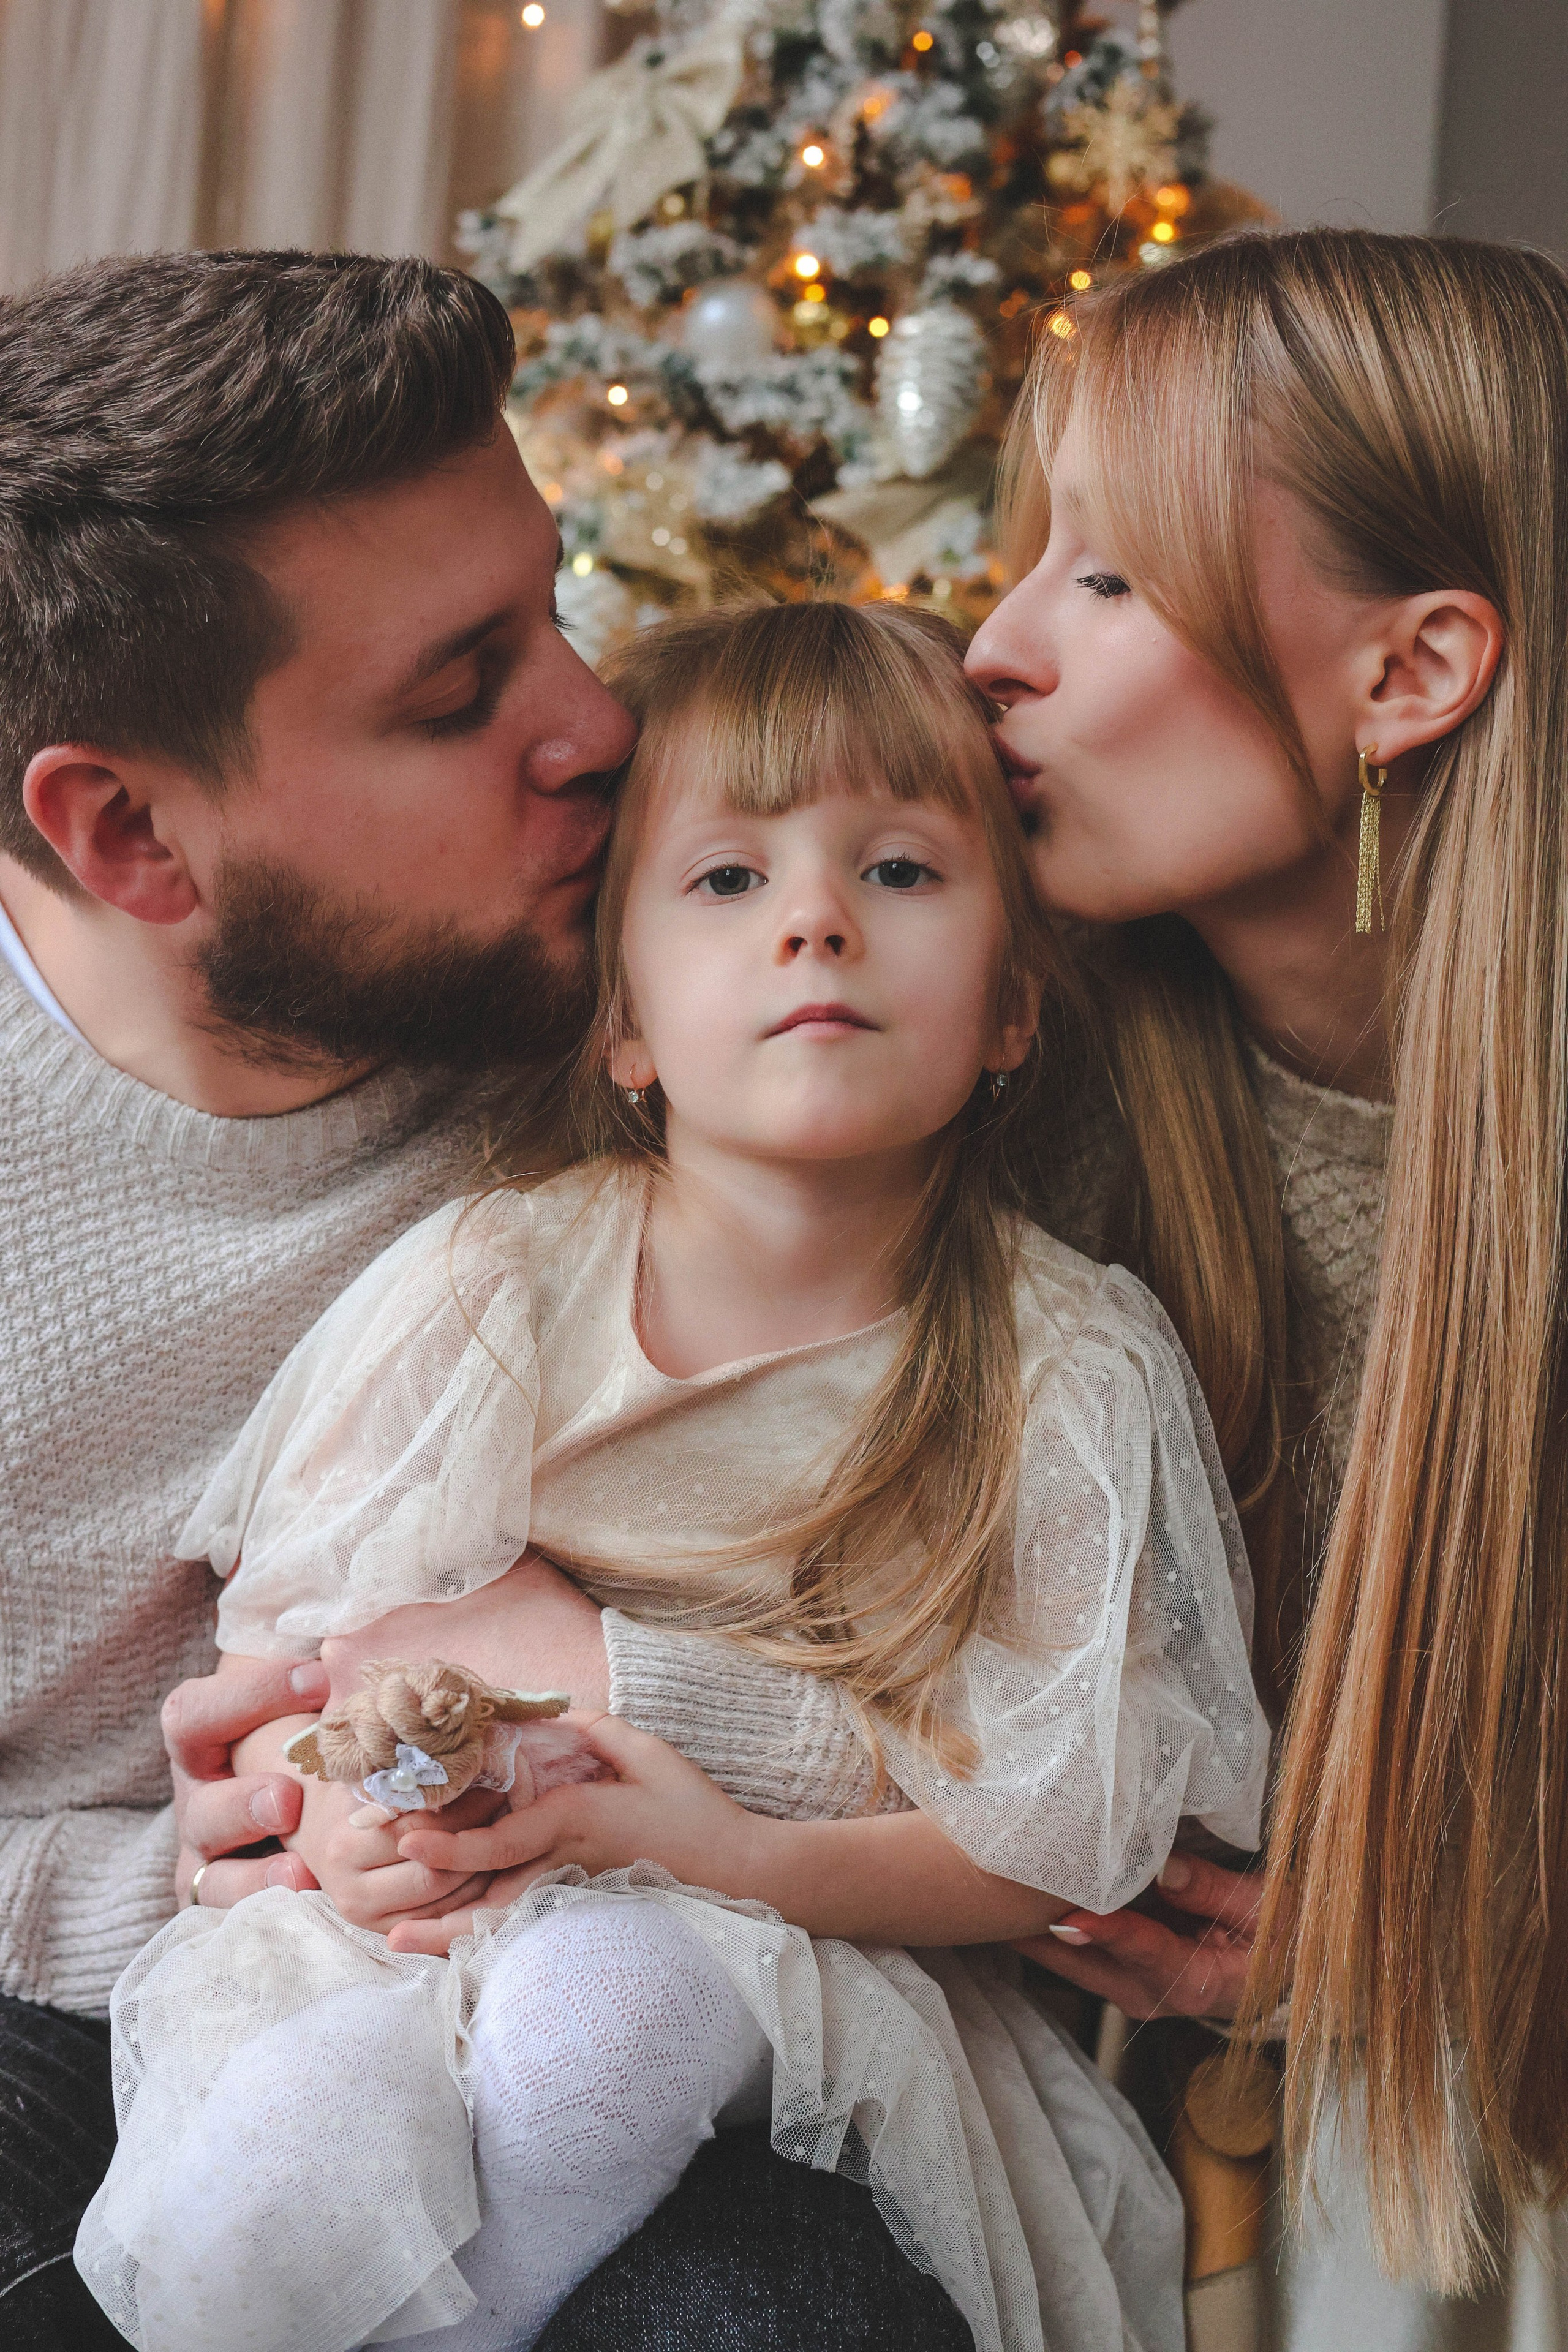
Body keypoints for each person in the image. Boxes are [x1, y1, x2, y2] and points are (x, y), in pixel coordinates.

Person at [77, 600, 1272, 2352]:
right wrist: (352, 1828)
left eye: (900, 871)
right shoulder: (498, 1279)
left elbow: (1059, 1835)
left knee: (603, 2013)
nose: (814, 921)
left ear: (1014, 1008)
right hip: (447, 1900)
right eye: (727, 881)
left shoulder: (1063, 1359)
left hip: (806, 1950)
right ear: (626, 1023)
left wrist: (720, 1851)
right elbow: (312, 1656)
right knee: (303, 2113)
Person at [0, 249, 957, 2352]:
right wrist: (163, 1876)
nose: (596, 722)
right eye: (458, 692)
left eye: (558, 604)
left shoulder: (683, 997)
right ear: (130, 833)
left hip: (616, 1955)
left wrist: (594, 1678)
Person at [964, 227, 1568, 2346]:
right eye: (1032, 557)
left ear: (1412, 673)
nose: (991, 649)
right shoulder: (1015, 1078)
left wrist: (1437, 1940)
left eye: (1106, 580)